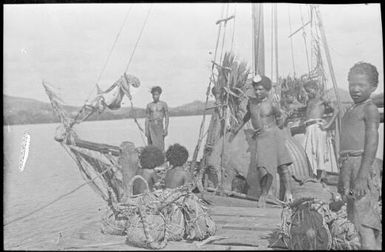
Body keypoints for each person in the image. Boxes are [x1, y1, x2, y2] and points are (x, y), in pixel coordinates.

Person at [231, 75, 293, 208]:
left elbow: (280, 119)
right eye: (256, 89)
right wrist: (237, 128)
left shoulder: (272, 103)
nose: (258, 92)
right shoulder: (251, 103)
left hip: (274, 135)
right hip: (260, 137)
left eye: (261, 89)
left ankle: (288, 192)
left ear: (267, 90)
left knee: (282, 165)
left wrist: (284, 118)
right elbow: (247, 116)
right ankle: (264, 193)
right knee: (262, 167)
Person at [338, 62, 382, 249]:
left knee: (365, 221)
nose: (355, 89)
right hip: (348, 164)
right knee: (353, 216)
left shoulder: (369, 108)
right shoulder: (351, 109)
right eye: (352, 84)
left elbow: (372, 141)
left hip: (361, 164)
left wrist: (363, 175)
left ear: (373, 87)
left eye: (361, 85)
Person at [303, 80, 339, 180]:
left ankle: (318, 178)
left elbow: (336, 110)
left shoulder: (322, 99)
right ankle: (312, 177)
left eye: (309, 91)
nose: (307, 93)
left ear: (315, 89)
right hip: (309, 128)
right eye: (306, 91)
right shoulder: (309, 101)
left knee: (319, 152)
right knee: (308, 152)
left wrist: (328, 125)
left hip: (318, 128)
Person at [145, 86, 169, 152]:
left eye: (157, 94)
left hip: (159, 126)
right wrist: (146, 130)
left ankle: (161, 159)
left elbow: (167, 117)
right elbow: (147, 118)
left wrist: (166, 128)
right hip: (151, 126)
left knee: (160, 145)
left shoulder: (163, 104)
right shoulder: (149, 105)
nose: (155, 96)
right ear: (152, 95)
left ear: (159, 94)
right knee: (151, 145)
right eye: (154, 95)